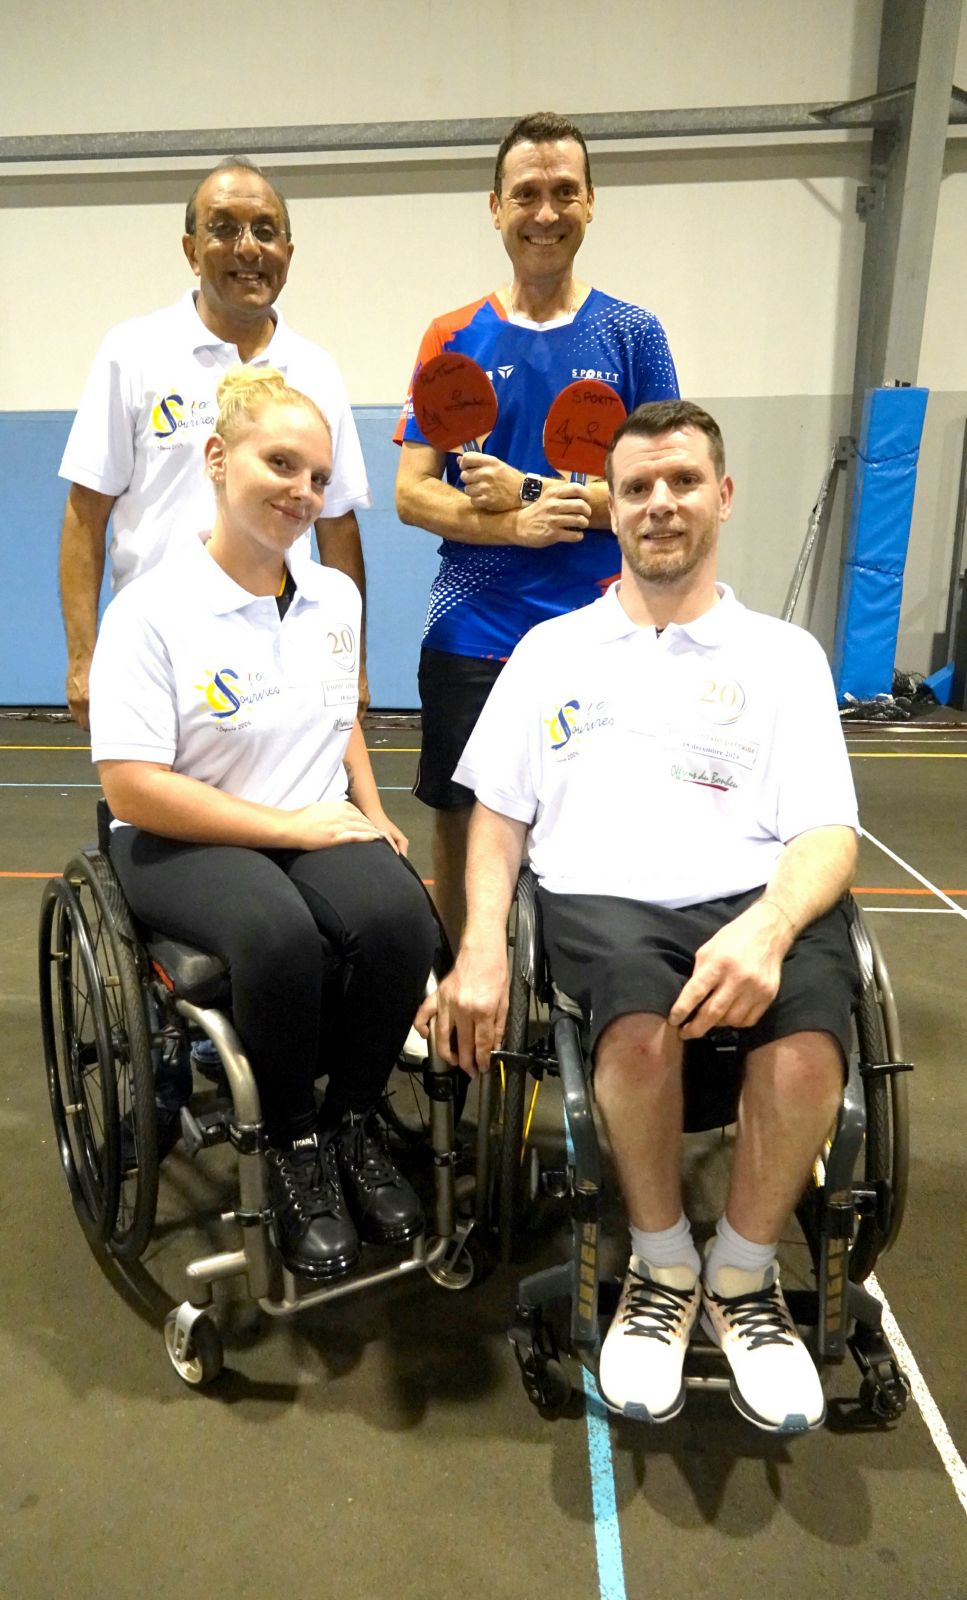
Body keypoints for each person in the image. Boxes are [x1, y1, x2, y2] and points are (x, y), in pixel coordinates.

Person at [421, 400, 860, 1433]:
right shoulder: (549, 652)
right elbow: (496, 814)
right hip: (603, 899)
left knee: (805, 1048)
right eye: (637, 488)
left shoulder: (783, 654)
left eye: (682, 482)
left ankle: (743, 1279)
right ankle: (662, 1267)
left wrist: (767, 928)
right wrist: (480, 944)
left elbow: (828, 834)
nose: (660, 503)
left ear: (722, 496)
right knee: (634, 1020)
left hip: (756, 891)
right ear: (608, 508)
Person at [89, 367, 438, 1282]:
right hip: (181, 837)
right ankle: (291, 1149)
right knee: (277, 935)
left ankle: (350, 1123)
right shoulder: (148, 613)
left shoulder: (334, 598)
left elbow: (339, 716)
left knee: (405, 919)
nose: (303, 492)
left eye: (318, 478)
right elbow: (130, 787)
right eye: (280, 463)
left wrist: (371, 812)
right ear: (217, 458)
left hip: (305, 822)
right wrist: (288, 824)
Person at [395, 111, 679, 944]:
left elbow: (659, 488)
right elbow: (415, 495)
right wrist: (516, 527)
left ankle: (592, 976)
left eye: (563, 193)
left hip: (603, 625)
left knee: (602, 807)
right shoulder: (451, 336)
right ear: (494, 207)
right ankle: (458, 981)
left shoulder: (634, 334)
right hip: (474, 624)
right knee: (459, 809)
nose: (545, 213)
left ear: (591, 202)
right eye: (526, 194)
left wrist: (535, 492)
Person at [60, 155, 372, 729]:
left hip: (284, 658)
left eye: (265, 231)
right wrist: (84, 655)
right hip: (158, 654)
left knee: (287, 814)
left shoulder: (317, 370)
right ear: (190, 249)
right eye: (223, 228)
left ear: (289, 253)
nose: (248, 248)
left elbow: (338, 527)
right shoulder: (133, 353)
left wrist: (350, 660)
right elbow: (86, 513)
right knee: (154, 813)